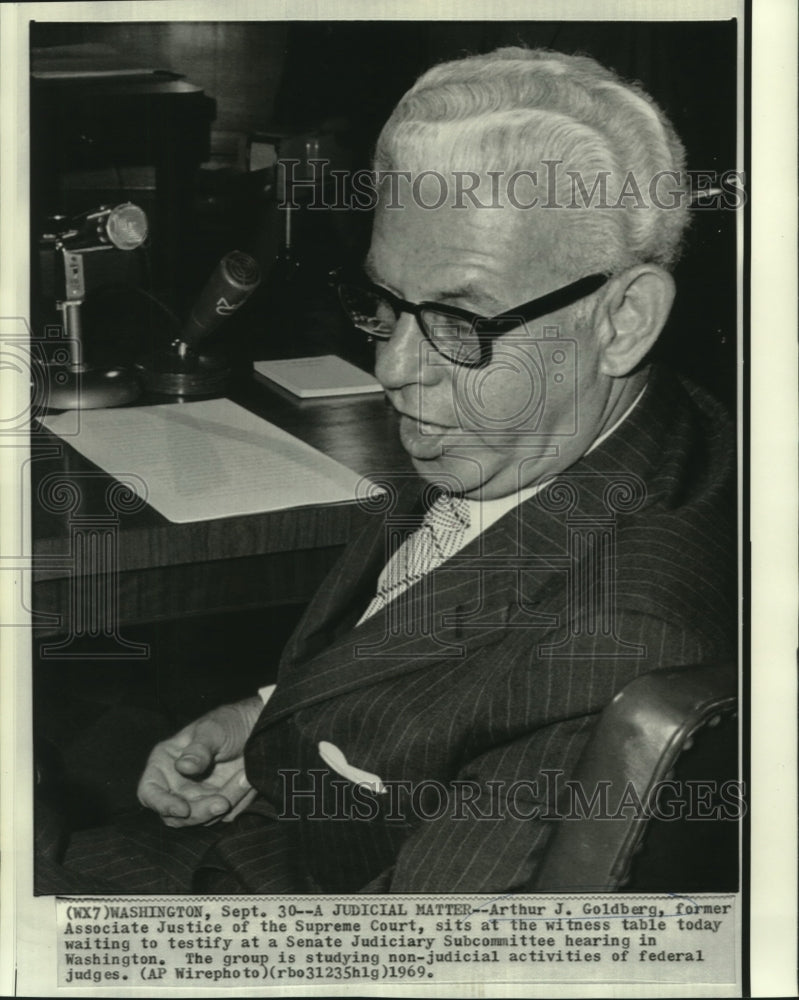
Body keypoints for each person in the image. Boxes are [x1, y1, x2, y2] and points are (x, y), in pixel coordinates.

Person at [36, 46, 735, 894]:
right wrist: (268, 720)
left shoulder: (607, 652)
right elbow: (430, 647)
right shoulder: (577, 419)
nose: (397, 366)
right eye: (387, 303)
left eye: (457, 317)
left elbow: (418, 961)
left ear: (624, 319)